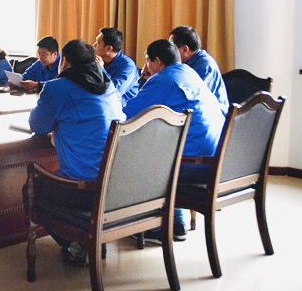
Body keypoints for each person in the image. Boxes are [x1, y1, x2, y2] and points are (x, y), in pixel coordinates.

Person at [25, 39, 125, 263]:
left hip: (86, 189)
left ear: (65, 62)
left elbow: (38, 125)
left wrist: (58, 131)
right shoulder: (108, 85)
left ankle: (78, 243)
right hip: (118, 183)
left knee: (32, 190)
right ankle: (88, 240)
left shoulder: (57, 87)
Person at [123, 39, 226, 242]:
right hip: (216, 158)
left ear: (158, 61)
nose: (146, 67)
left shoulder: (163, 80)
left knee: (136, 152)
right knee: (162, 146)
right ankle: (175, 222)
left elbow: (127, 115)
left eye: (148, 62)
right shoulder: (189, 73)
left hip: (192, 164)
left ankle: (159, 224)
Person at [169, 26, 229, 111]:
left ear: (185, 49)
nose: (170, 53)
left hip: (212, 113)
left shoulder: (205, 66)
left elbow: (195, 96)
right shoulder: (183, 63)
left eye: (173, 49)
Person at [93, 27, 140, 106]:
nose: (93, 45)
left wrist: (101, 70)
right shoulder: (99, 61)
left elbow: (114, 92)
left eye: (97, 43)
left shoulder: (128, 66)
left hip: (124, 109)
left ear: (109, 48)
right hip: (103, 104)